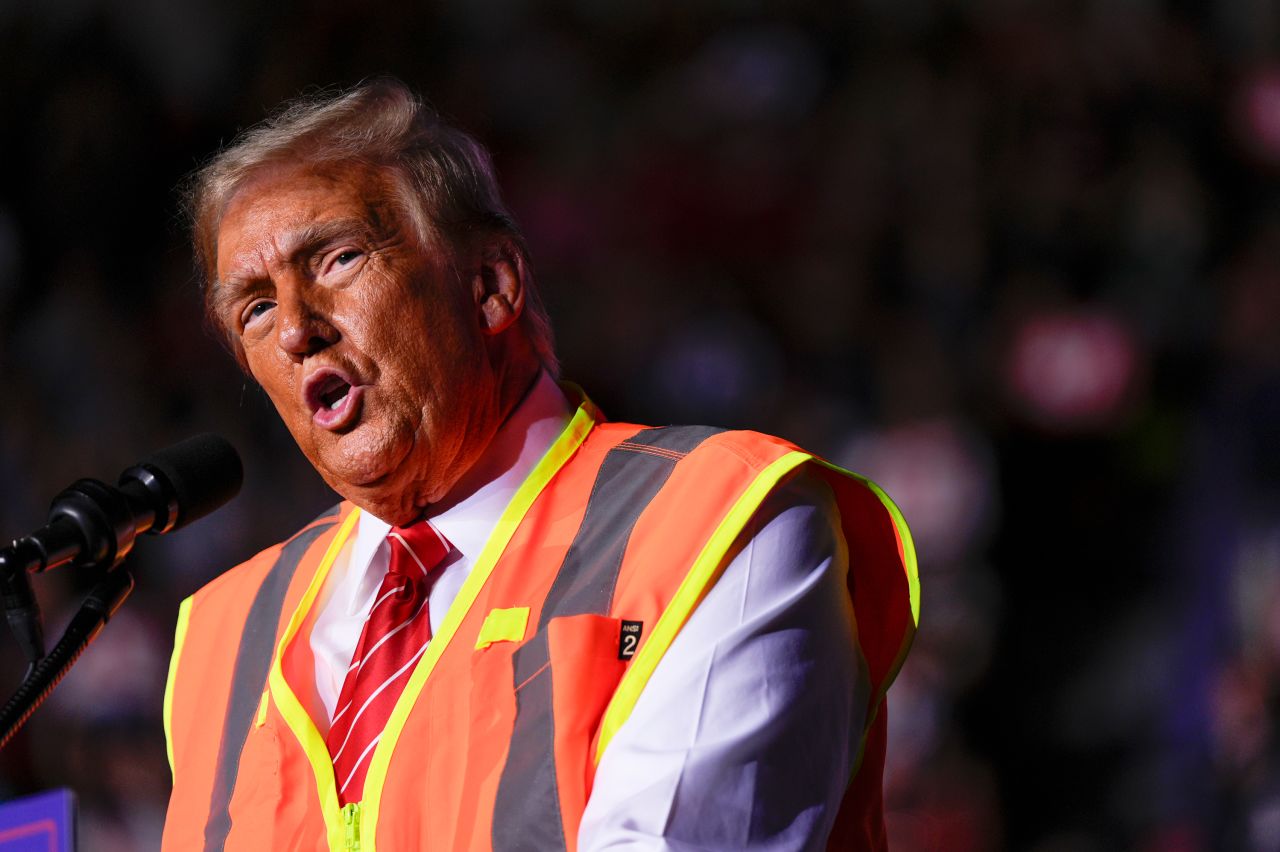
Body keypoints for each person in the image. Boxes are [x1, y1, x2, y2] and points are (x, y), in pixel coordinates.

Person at [161, 78, 918, 851]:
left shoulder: (722, 519)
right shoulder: (220, 640)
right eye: (254, 307)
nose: (294, 330)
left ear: (491, 285)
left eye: (340, 259)